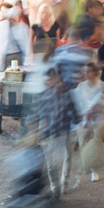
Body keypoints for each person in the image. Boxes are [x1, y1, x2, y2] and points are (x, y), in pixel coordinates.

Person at [26, 68, 77, 199]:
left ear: (55, 79)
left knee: (65, 159)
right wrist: (34, 130)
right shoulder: (41, 96)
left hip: (63, 134)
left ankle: (64, 182)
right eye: (45, 81)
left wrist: (77, 123)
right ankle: (55, 189)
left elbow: (75, 114)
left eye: (49, 80)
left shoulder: (66, 95)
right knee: (51, 165)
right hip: (47, 136)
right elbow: (32, 117)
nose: (47, 83)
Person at [71, 63, 104, 182]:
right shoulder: (81, 86)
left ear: (95, 72)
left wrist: (97, 110)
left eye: (88, 71)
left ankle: (95, 171)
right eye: (84, 71)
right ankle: (86, 166)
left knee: (94, 145)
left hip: (98, 120)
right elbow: (75, 99)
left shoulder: (102, 86)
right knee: (83, 144)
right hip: (84, 120)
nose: (86, 74)